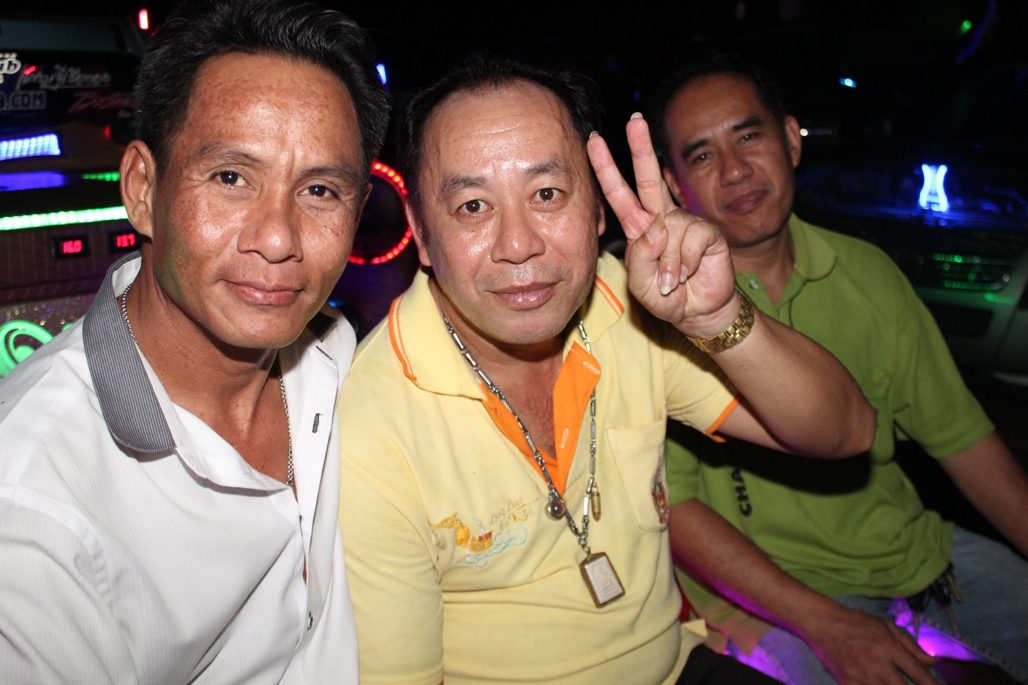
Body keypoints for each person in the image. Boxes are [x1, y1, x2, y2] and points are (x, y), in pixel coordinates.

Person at [336, 55, 876, 685]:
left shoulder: (627, 305)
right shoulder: (371, 424)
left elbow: (845, 432)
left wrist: (719, 317)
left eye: (546, 194)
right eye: (473, 205)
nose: (519, 245)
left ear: (596, 209)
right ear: (422, 235)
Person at [0, 1, 388, 682]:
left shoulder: (337, 357)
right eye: (231, 178)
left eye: (320, 190)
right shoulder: (34, 512)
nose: (278, 238)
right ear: (142, 189)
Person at [654, 54, 1028, 685]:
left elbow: (964, 440)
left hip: (914, 554)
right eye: (702, 155)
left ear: (792, 139)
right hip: (774, 597)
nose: (735, 170)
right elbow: (677, 510)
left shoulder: (867, 275)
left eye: (748, 136)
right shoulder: (667, 309)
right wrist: (826, 623)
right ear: (672, 184)